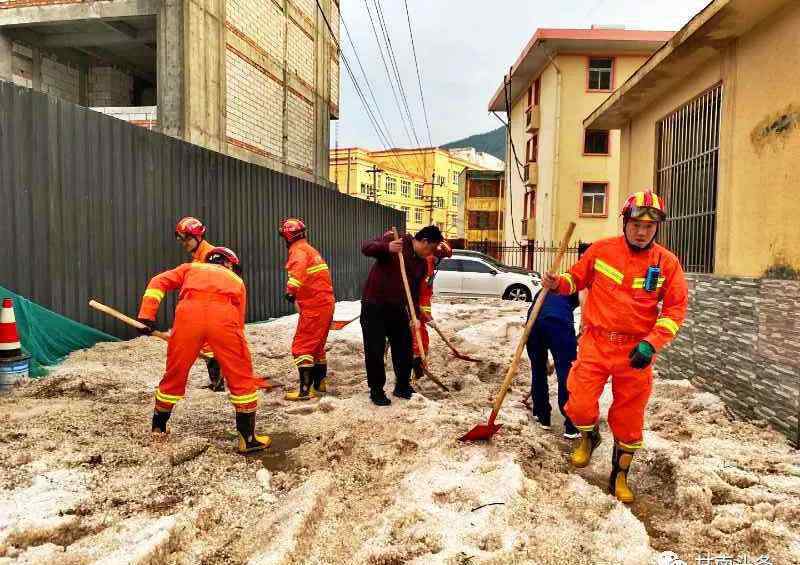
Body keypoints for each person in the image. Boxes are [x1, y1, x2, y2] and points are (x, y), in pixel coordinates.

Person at [541, 190, 688, 503]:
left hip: (636, 351)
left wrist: (652, 343)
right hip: (596, 342)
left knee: (629, 419)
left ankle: (619, 476)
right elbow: (575, 279)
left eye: (649, 226)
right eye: (635, 223)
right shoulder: (601, 250)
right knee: (579, 403)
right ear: (625, 222)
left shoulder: (667, 264)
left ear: (657, 227)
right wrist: (558, 284)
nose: (641, 231)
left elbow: (676, 310)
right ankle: (589, 437)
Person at [137, 247, 271, 454]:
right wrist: (224, 353)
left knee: (174, 373)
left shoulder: (191, 267)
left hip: (187, 317)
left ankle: (158, 428)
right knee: (241, 377)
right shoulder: (237, 281)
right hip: (224, 319)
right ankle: (248, 439)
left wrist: (147, 315)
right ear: (229, 263)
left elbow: (158, 282)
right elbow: (238, 319)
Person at [360, 226, 444, 406]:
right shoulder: (397, 240)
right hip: (374, 305)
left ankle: (402, 386)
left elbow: (412, 293)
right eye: (431, 248)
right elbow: (366, 247)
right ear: (424, 242)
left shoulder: (421, 263)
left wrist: (416, 315)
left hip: (397, 308)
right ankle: (376, 390)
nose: (431, 254)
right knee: (375, 349)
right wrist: (387, 248)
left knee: (404, 347)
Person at [525, 242, 591, 439]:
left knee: (538, 368)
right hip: (559, 324)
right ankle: (571, 425)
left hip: (533, 321)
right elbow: (584, 298)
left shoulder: (560, 279)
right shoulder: (580, 280)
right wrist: (584, 326)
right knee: (567, 373)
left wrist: (546, 362)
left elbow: (540, 309)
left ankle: (541, 414)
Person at [278, 218, 336, 401]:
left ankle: (304, 391)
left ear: (288, 236)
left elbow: (298, 272)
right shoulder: (310, 249)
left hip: (314, 305)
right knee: (317, 346)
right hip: (325, 303)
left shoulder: (298, 251)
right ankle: (320, 384)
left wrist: (290, 291)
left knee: (302, 346)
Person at [174, 217, 225, 392]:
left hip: (213, 309)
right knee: (207, 345)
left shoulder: (211, 256)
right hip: (204, 309)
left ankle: (218, 383)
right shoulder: (198, 258)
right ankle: (216, 381)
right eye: (181, 239)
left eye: (187, 238)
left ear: (198, 236)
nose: (184, 243)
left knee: (211, 346)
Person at [412, 240, 453, 379]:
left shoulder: (431, 265)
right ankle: (416, 363)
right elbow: (418, 295)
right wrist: (426, 316)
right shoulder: (426, 263)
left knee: (421, 337)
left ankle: (418, 362)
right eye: (440, 257)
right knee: (418, 337)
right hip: (413, 309)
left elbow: (425, 295)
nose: (439, 260)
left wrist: (428, 315)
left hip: (420, 309)